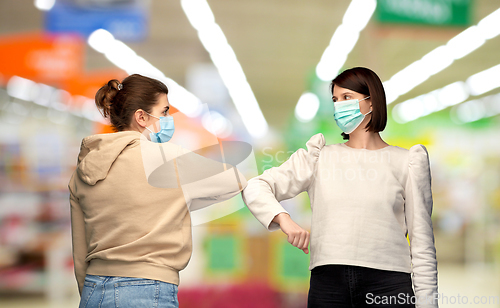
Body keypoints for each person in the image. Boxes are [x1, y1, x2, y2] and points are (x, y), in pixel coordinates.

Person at [242, 67, 438, 307]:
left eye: (347, 98)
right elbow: (256, 186)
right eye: (335, 100)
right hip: (329, 284)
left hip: (388, 283)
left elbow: (422, 245)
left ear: (372, 102)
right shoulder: (318, 157)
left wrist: (428, 303)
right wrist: (283, 219)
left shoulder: (407, 162)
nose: (339, 106)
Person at [68, 74, 247, 308]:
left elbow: (79, 249)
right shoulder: (168, 158)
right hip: (147, 290)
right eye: (164, 112)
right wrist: (183, 198)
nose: (168, 119)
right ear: (141, 116)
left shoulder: (84, 168)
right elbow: (235, 180)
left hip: (93, 291)